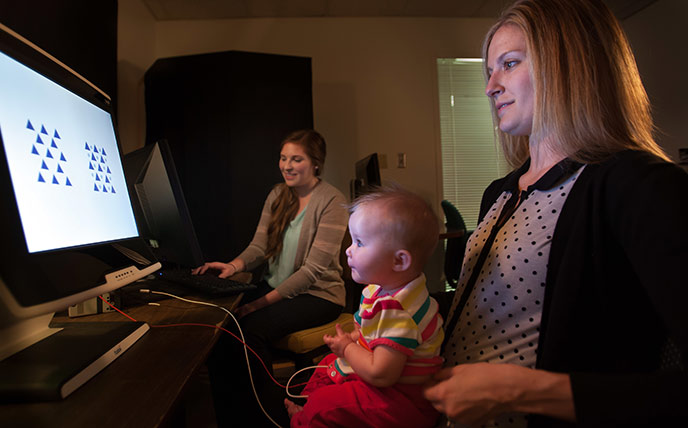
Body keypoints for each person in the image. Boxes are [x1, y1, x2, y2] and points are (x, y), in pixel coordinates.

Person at [422, 0, 688, 427]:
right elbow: (491, 306)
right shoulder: (501, 192)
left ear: (569, 66)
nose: (490, 87)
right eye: (489, 71)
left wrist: (519, 391)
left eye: (509, 64)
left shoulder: (638, 185)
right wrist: (402, 308)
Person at [194, 129, 348, 427]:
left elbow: (312, 272)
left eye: (296, 159)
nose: (287, 165)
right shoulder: (278, 194)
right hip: (277, 288)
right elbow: (259, 246)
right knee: (222, 325)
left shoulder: (332, 201)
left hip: (318, 296)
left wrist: (258, 304)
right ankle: (233, 416)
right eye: (283, 158)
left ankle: (272, 417)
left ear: (316, 163)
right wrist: (233, 266)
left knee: (251, 330)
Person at [286, 185, 444, 428]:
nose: (349, 250)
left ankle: (306, 418)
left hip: (402, 400)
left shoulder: (397, 310)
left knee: (324, 406)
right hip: (388, 385)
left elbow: (381, 373)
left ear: (399, 260)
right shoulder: (384, 290)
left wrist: (349, 347)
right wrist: (357, 337)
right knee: (326, 365)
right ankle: (308, 408)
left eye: (359, 242)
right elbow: (380, 336)